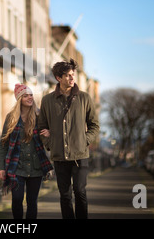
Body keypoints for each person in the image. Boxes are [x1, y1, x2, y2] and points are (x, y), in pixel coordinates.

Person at [38, 59, 99, 219]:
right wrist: (50, 144)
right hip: (59, 156)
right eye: (68, 75)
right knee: (64, 195)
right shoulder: (47, 100)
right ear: (58, 78)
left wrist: (84, 140)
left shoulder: (85, 98)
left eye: (73, 75)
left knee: (80, 191)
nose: (72, 78)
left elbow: (94, 125)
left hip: (80, 155)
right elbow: (41, 127)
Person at [0, 83, 53, 219]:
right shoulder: (11, 118)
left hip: (36, 166)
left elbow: (48, 144)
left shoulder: (40, 116)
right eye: (25, 96)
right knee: (16, 199)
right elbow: (3, 144)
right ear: (19, 99)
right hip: (16, 166)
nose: (30, 98)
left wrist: (49, 135)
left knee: (31, 201)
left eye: (31, 95)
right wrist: (1, 167)